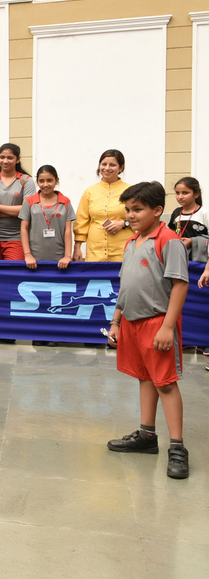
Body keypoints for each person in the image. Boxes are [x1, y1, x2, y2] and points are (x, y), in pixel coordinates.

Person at [105, 182, 189, 479]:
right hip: (131, 322)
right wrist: (116, 321)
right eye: (127, 210)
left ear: (157, 210)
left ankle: (177, 447)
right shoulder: (131, 243)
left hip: (157, 323)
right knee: (144, 377)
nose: (130, 215)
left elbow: (180, 284)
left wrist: (167, 326)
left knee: (165, 382)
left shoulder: (169, 241)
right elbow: (125, 288)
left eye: (137, 210)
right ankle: (146, 435)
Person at [73, 149, 132, 262]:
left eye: (113, 165)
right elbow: (81, 221)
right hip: (95, 251)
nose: (107, 168)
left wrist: (123, 223)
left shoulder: (130, 191)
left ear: (121, 168)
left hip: (122, 251)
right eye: (104, 164)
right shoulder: (90, 191)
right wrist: (77, 247)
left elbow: (141, 218)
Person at [0, 142, 35, 261]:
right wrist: (7, 213)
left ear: (18, 160)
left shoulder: (26, 180)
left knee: (13, 273)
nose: (5, 161)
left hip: (17, 236)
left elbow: (26, 210)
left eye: (10, 157)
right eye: (2, 157)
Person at [21, 165, 75, 271]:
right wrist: (27, 255)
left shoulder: (65, 201)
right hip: (34, 258)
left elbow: (68, 230)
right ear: (37, 182)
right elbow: (24, 229)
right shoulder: (29, 201)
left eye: (49, 180)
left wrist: (67, 256)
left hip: (60, 259)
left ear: (56, 180)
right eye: (41, 181)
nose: (45, 184)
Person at [168, 177, 208, 262]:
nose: (180, 197)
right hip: (179, 259)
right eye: (177, 193)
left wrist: (192, 241)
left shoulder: (204, 213)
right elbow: (170, 233)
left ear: (196, 194)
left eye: (185, 193)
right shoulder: (176, 213)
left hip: (200, 263)